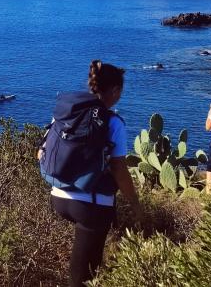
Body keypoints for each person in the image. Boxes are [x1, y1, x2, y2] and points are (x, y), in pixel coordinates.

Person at [39, 60, 142, 287]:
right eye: (120, 91)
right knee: (85, 275)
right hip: (92, 204)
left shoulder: (66, 112)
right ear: (115, 90)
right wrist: (135, 205)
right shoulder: (113, 122)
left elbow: (41, 151)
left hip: (58, 195)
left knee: (85, 266)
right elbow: (119, 169)